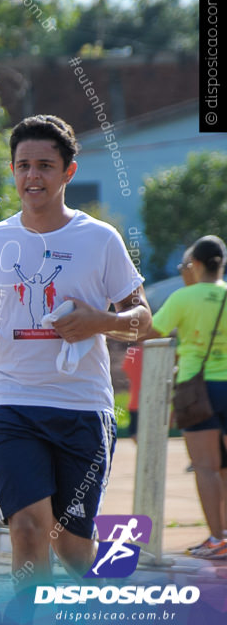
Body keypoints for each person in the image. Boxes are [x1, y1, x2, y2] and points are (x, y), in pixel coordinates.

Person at [0, 115, 151, 592]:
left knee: (73, 549)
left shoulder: (99, 239)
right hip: (13, 405)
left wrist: (101, 322)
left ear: (68, 172)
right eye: (23, 166)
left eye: (44, 165)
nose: (32, 176)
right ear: (12, 171)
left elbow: (142, 319)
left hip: (82, 407)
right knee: (27, 529)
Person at [147, 236, 227, 558]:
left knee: (206, 467)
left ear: (193, 264)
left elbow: (152, 331)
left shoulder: (184, 297)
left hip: (198, 389)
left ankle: (218, 537)